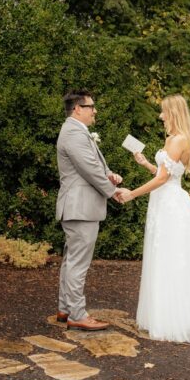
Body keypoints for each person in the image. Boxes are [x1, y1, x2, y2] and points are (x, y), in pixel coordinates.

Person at [117, 94, 190, 343]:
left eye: (163, 112)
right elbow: (164, 173)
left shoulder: (178, 140)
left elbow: (163, 179)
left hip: (170, 205)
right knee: (163, 256)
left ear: (173, 113)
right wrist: (146, 163)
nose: (160, 116)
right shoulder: (174, 139)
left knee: (172, 257)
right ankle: (165, 315)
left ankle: (176, 320)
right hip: (163, 201)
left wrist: (132, 194)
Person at [55, 90, 123, 331]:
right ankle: (77, 314)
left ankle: (65, 308)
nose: (94, 110)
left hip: (79, 206)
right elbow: (89, 170)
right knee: (77, 264)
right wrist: (113, 191)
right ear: (77, 109)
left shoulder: (77, 132)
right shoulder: (73, 132)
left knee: (71, 261)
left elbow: (93, 166)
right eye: (90, 106)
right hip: (80, 207)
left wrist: (109, 175)